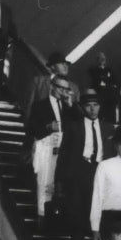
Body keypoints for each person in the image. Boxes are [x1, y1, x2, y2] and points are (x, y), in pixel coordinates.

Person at [56, 88, 114, 240]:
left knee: (99, 210)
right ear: (82, 107)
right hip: (80, 171)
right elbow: (64, 154)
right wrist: (59, 182)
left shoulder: (107, 128)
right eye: (88, 105)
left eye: (96, 105)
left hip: (101, 170)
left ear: (100, 107)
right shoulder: (74, 127)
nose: (92, 109)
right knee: (79, 212)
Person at [26, 73, 77, 218]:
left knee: (61, 186)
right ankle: (42, 217)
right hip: (47, 151)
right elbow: (31, 129)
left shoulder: (69, 107)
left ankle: (59, 218)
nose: (63, 91)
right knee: (45, 185)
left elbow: (80, 122)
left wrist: (71, 105)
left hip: (65, 153)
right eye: (60, 88)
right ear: (51, 87)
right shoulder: (40, 105)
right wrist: (48, 127)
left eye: (66, 89)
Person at [24, 51, 80, 123]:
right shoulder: (38, 82)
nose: (65, 66)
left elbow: (78, 114)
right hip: (42, 128)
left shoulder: (74, 87)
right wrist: (28, 127)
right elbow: (29, 106)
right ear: (52, 66)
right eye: (62, 64)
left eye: (66, 64)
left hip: (66, 130)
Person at [88, 50, 121, 125]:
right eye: (100, 58)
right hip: (99, 92)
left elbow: (115, 82)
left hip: (109, 92)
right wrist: (105, 83)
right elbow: (96, 81)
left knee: (119, 98)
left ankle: (118, 120)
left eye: (103, 58)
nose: (102, 60)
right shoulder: (93, 70)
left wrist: (106, 83)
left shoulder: (109, 70)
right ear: (97, 60)